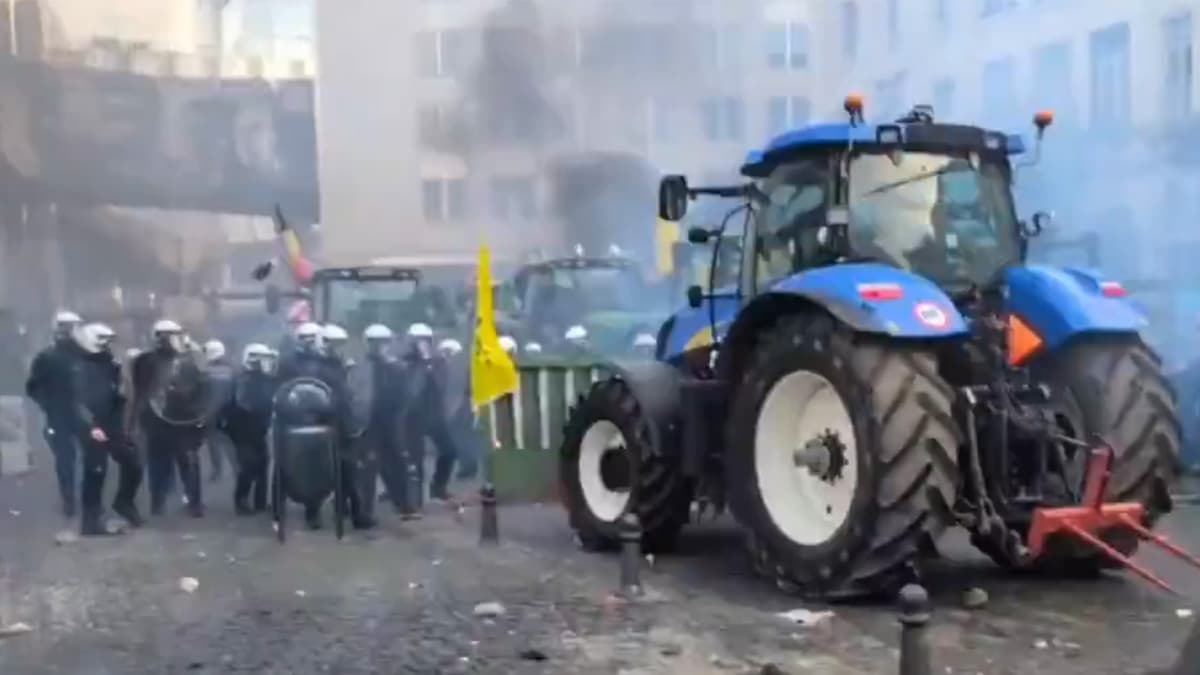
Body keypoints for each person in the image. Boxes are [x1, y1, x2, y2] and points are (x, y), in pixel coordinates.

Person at [275, 321, 374, 530]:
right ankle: (313, 512)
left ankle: (353, 511)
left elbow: (344, 395)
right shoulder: (302, 364)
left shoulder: (335, 362)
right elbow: (295, 393)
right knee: (315, 468)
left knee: (346, 468)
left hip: (338, 421)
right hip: (315, 422)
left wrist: (352, 421)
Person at [130, 319, 210, 517]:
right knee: (160, 464)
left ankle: (193, 503)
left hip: (184, 420)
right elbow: (141, 391)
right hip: (158, 420)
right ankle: (160, 503)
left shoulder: (191, 360)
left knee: (187, 463)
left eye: (173, 335)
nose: (170, 340)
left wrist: (200, 415)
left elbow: (202, 388)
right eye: (166, 335)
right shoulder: (146, 361)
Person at [74, 323, 143, 534]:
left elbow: (120, 393)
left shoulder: (111, 363)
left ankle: (124, 502)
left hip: (112, 423)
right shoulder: (78, 366)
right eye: (102, 340)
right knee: (96, 472)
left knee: (133, 464)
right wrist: (91, 425)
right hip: (91, 424)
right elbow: (74, 400)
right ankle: (90, 521)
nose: (107, 345)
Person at [24, 310, 85, 517]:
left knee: (95, 457)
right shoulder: (47, 357)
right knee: (65, 459)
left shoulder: (89, 355)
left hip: (87, 414)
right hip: (59, 415)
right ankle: (69, 499)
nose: (68, 332)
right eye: (64, 328)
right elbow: (33, 386)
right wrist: (47, 404)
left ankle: (90, 499)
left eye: (71, 328)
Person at [400, 322, 460, 503]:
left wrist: (428, 363)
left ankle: (438, 487)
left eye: (425, 340)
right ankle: (408, 495)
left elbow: (441, 385)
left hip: (434, 416)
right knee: (413, 458)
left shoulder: (437, 362)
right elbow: (411, 389)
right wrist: (421, 364)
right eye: (418, 340)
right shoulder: (405, 363)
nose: (422, 344)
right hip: (412, 417)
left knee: (449, 451)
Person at [217, 343, 276, 515]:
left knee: (262, 464)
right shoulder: (242, 380)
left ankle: (260, 502)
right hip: (243, 429)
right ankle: (241, 501)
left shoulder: (265, 379)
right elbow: (242, 404)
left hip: (259, 428)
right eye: (261, 360)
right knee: (248, 466)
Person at [357, 323, 408, 519]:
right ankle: (365, 512)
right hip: (368, 422)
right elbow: (356, 393)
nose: (379, 346)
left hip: (391, 421)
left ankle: (403, 504)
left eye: (382, 342)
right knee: (367, 468)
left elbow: (404, 392)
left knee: (396, 464)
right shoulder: (360, 366)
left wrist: (391, 364)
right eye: (374, 342)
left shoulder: (396, 367)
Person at [202, 339, 236, 482]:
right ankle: (237, 469)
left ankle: (217, 471)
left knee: (213, 444)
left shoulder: (205, 372)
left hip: (210, 413)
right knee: (230, 444)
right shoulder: (232, 370)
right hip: (228, 413)